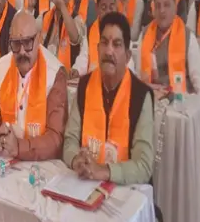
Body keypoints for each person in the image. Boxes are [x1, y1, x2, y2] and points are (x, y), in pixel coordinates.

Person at [63, 12, 154, 185]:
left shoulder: (141, 95)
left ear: (128, 56)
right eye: (104, 43)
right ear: (97, 49)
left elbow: (143, 165)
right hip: (84, 182)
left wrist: (104, 171)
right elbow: (70, 140)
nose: (109, 51)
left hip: (124, 189)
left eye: (117, 44)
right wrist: (77, 160)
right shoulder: (84, 86)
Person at [0, 11, 68, 160]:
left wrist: (19, 147)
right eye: (16, 43)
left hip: (41, 164)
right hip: (5, 157)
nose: (22, 51)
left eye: (27, 43)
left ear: (38, 39)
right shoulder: (4, 66)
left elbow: (55, 139)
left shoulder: (55, 73)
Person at [137, 0, 200, 99]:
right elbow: (138, 77)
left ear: (175, 8)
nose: (162, 11)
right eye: (158, 6)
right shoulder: (145, 35)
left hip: (181, 100)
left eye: (166, 5)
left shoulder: (187, 36)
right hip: (152, 99)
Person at [36, 0, 86, 72]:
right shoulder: (44, 16)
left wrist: (61, 4)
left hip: (65, 76)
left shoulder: (76, 19)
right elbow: (28, 33)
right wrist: (29, 7)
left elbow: (75, 38)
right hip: (44, 73)